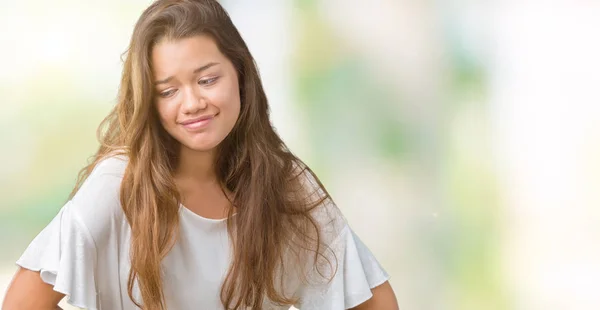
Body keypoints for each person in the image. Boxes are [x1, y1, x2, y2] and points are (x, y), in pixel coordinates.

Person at [2, 0, 399, 309]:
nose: (192, 103)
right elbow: (21, 304)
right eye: (168, 91)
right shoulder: (119, 182)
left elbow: (374, 302)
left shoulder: (284, 182)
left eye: (207, 79)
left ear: (240, 74)